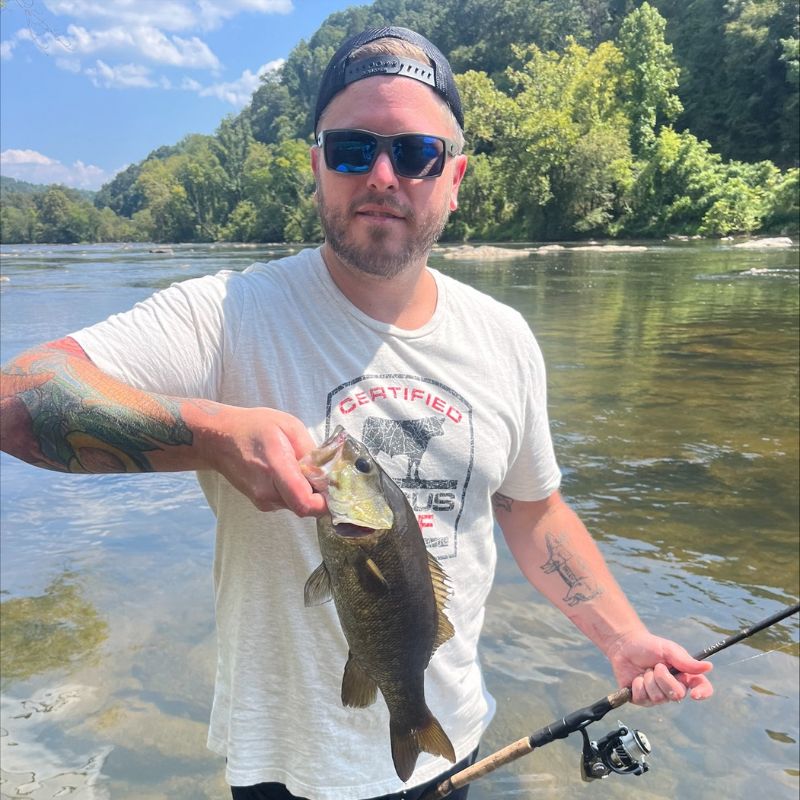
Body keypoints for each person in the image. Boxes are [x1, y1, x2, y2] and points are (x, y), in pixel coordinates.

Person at [0, 26, 713, 800]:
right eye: (350, 149)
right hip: (286, 762)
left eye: (414, 154)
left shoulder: (504, 337)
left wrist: (624, 637)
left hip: (452, 743)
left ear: (455, 176)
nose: (382, 174)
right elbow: (16, 399)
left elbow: (531, 510)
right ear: (316, 166)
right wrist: (208, 435)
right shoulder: (230, 314)